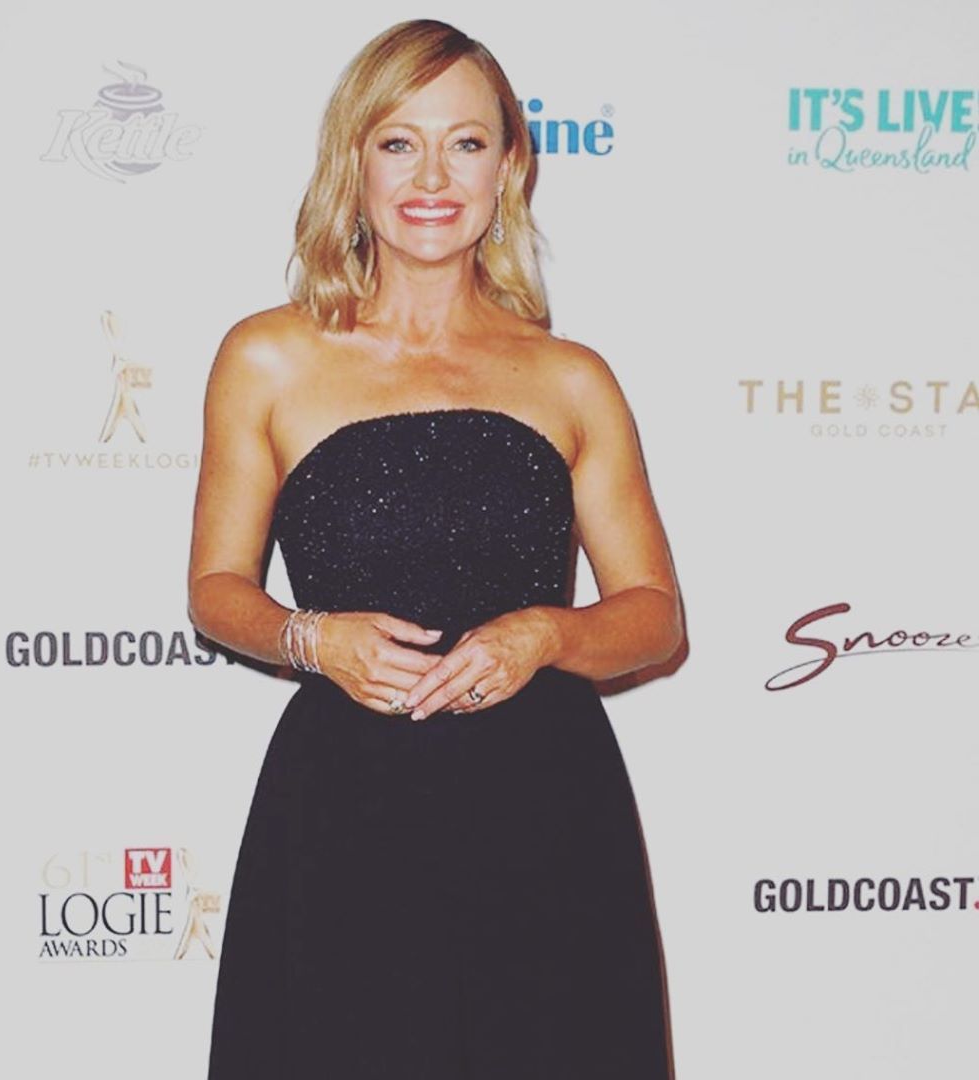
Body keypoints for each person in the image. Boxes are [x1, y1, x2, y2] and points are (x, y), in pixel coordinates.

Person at [188, 18, 683, 1079]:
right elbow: (216, 590)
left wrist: (546, 634)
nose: (431, 178)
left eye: (465, 143)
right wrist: (313, 639)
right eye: (398, 142)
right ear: (353, 161)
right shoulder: (267, 357)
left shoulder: (570, 377)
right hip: (345, 804)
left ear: (508, 168)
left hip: (545, 804)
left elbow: (653, 615)